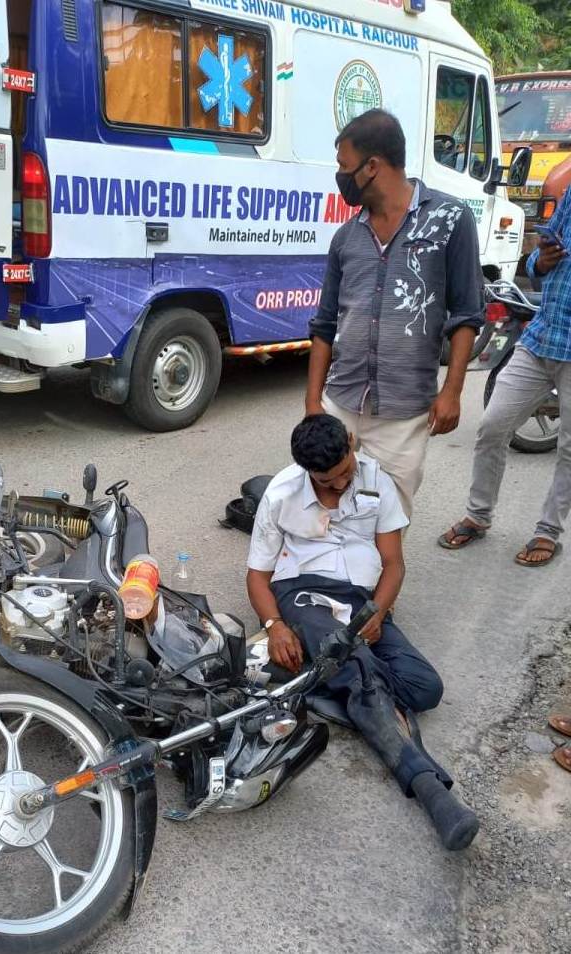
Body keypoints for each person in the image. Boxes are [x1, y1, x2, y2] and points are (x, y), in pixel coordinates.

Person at [246, 414, 479, 850]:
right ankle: (428, 786)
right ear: (306, 471)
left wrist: (380, 611)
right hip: (303, 594)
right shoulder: (280, 494)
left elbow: (393, 564)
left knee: (425, 688)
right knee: (355, 665)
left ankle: (320, 679)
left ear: (351, 445)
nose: (339, 485)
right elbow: (257, 576)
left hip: (361, 601)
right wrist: (274, 625)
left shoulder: (377, 481)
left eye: (344, 473)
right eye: (326, 481)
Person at [305, 109, 484, 518]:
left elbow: (466, 314)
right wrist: (314, 402)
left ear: (372, 166)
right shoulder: (346, 237)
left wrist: (452, 391)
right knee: (323, 513)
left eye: (344, 166)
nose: (340, 176)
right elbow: (325, 324)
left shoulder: (450, 220)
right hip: (341, 401)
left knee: (386, 520)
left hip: (405, 413)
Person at [438, 187, 570, 566]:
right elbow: (538, 264)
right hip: (542, 337)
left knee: (569, 449)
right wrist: (542, 261)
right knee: (493, 426)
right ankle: (478, 516)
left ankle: (548, 531)